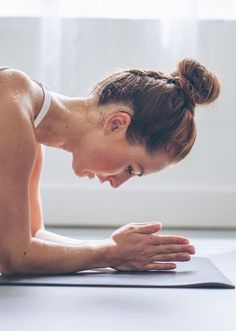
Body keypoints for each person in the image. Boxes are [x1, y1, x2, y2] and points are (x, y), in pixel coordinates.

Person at [0, 58, 220, 275]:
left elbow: (33, 234)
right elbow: (13, 256)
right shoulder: (13, 102)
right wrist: (109, 253)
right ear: (116, 124)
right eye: (130, 169)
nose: (117, 183)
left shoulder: (31, 123)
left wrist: (116, 248)